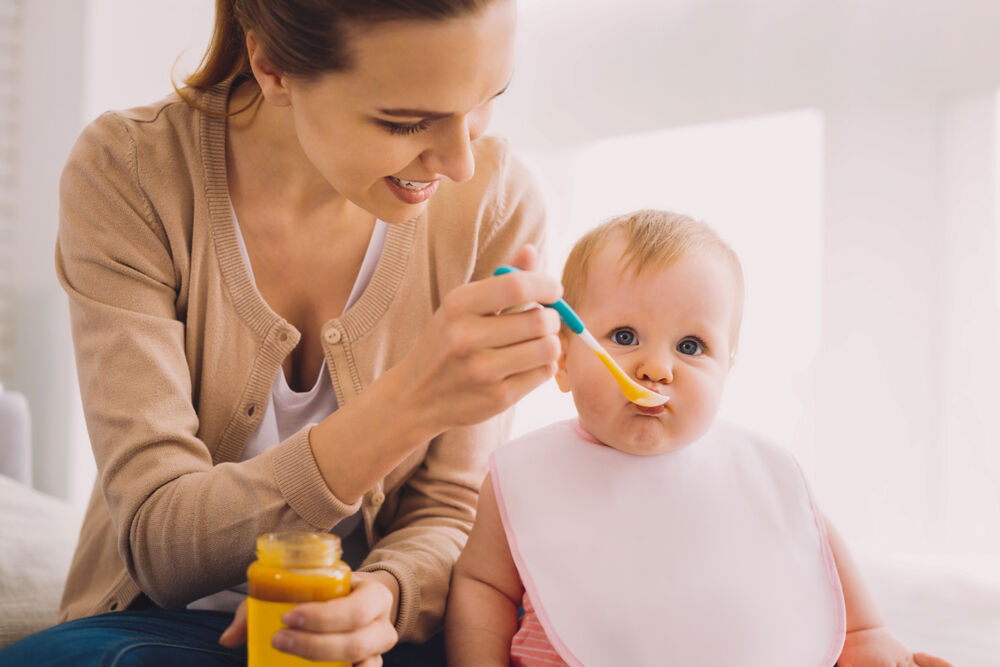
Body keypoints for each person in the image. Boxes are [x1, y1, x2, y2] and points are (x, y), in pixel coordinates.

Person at [0, 0, 564, 665]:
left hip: (382, 635)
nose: (460, 161)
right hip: (168, 627)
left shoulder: (494, 204)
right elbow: (159, 544)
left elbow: (447, 513)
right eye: (406, 120)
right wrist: (409, 402)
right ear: (272, 67)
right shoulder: (131, 172)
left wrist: (382, 599)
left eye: (485, 101)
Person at [446, 210, 952, 667]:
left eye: (691, 346)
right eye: (624, 336)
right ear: (561, 359)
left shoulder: (754, 468)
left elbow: (811, 543)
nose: (657, 368)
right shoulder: (526, 475)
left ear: (727, 368)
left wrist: (866, 634)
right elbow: (482, 586)